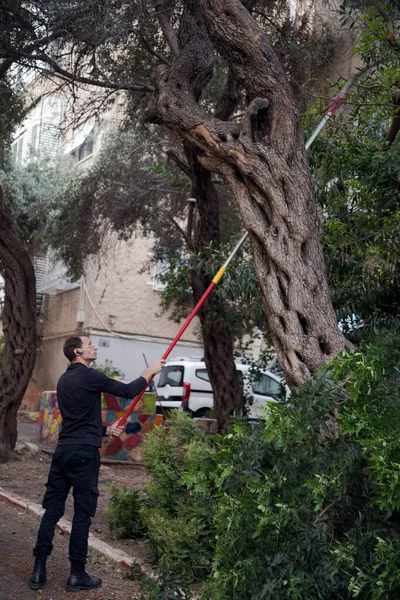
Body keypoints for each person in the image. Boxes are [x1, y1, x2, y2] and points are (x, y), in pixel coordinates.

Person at [29, 335, 165, 592]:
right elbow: (127, 391)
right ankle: (77, 575)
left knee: (52, 511)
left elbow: (78, 421)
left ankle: (38, 570)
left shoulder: (64, 379)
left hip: (63, 453)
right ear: (77, 351)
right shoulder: (90, 376)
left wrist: (106, 430)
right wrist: (150, 371)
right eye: (89, 344)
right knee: (82, 514)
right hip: (84, 455)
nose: (94, 347)